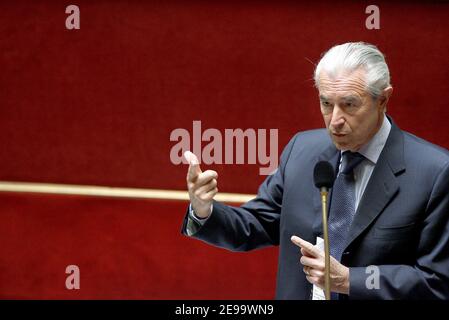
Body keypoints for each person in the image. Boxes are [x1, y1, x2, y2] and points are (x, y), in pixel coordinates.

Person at [180, 42, 449, 299]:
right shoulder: (302, 151)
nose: (335, 121)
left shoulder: (434, 173)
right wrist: (203, 210)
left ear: (383, 99)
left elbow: (438, 282)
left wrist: (350, 280)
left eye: (349, 104)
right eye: (326, 103)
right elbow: (257, 224)